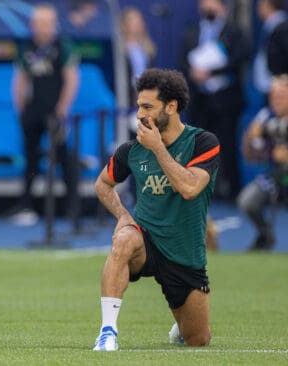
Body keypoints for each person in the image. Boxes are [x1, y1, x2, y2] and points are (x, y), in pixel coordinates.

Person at [92, 68, 220, 351]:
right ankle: (107, 332)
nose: (140, 114)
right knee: (124, 239)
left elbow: (189, 188)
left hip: (184, 253)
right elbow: (102, 184)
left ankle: (183, 325)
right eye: (139, 106)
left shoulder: (203, 142)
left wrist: (159, 149)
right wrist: (124, 217)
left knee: (199, 340)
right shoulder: (132, 150)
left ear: (171, 107)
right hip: (146, 239)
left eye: (148, 107)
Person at [10, 3, 79, 224]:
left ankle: (73, 207)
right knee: (30, 159)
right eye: (38, 23)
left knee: (63, 157)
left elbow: (72, 79)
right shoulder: (27, 47)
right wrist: (20, 107)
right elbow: (20, 79)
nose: (42, 27)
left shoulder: (63, 46)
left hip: (54, 111)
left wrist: (62, 108)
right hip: (33, 110)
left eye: (47, 23)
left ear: (54, 24)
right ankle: (26, 205)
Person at [179, 0, 249, 200]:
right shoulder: (191, 31)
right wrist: (194, 73)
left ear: (222, 6)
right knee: (199, 146)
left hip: (226, 99)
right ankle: (201, 190)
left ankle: (233, 190)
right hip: (200, 99)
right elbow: (182, 59)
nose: (207, 7)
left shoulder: (234, 31)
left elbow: (240, 57)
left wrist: (212, 71)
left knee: (227, 145)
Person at [237, 75, 288, 251]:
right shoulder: (265, 116)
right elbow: (251, 155)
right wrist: (252, 139)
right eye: (274, 96)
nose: (277, 100)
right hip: (275, 176)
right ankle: (265, 235)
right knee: (247, 201)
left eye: (282, 96)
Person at [253, 0, 287, 98]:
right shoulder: (268, 26)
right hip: (265, 87)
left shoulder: (283, 28)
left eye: (260, 3)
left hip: (278, 88)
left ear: (267, 4)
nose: (258, 7)